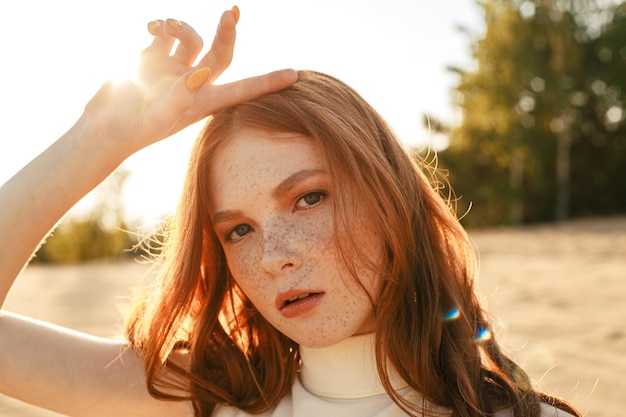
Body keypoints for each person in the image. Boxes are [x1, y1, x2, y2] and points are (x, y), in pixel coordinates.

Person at [0, 6, 581, 417]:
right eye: (239, 230)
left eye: (309, 197)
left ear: (391, 201)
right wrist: (98, 139)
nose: (275, 258)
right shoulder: (205, 400)